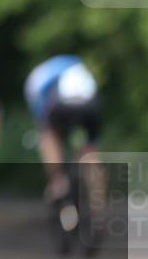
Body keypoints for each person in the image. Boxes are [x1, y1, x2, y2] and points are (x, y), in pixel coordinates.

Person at [23, 55, 105, 234]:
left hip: (59, 106)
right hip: (89, 104)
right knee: (90, 154)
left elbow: (42, 119)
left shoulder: (36, 82)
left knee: (48, 136)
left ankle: (58, 182)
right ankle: (98, 213)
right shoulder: (76, 67)